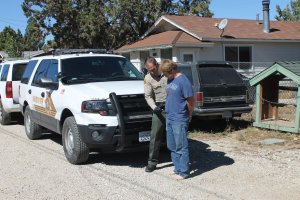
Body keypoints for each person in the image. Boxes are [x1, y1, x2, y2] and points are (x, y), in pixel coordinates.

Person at [160, 59, 194, 180]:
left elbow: (190, 100)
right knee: (172, 145)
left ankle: (184, 172)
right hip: (170, 117)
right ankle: (177, 168)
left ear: (173, 70)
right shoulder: (170, 79)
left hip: (179, 118)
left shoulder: (183, 81)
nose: (164, 75)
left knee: (181, 146)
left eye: (166, 73)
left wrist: (189, 115)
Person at [144, 57, 167, 172]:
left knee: (176, 134)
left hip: (172, 106)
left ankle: (179, 161)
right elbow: (148, 96)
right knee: (155, 137)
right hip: (159, 108)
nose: (151, 72)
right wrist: (154, 107)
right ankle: (152, 163)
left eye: (153, 69)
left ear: (157, 65)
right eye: (149, 70)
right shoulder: (148, 78)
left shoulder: (166, 72)